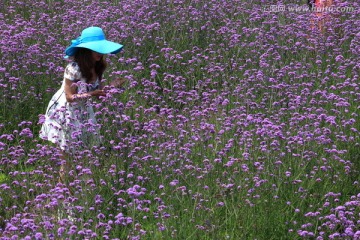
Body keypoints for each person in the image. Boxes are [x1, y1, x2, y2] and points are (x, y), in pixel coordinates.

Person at [39, 26, 125, 182]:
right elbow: (70, 97)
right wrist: (92, 94)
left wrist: (112, 86)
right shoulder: (73, 68)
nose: (100, 53)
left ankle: (78, 189)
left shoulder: (98, 66)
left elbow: (98, 92)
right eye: (96, 49)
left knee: (83, 155)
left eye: (101, 49)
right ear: (86, 50)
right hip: (66, 112)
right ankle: (63, 195)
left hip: (84, 111)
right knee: (67, 159)